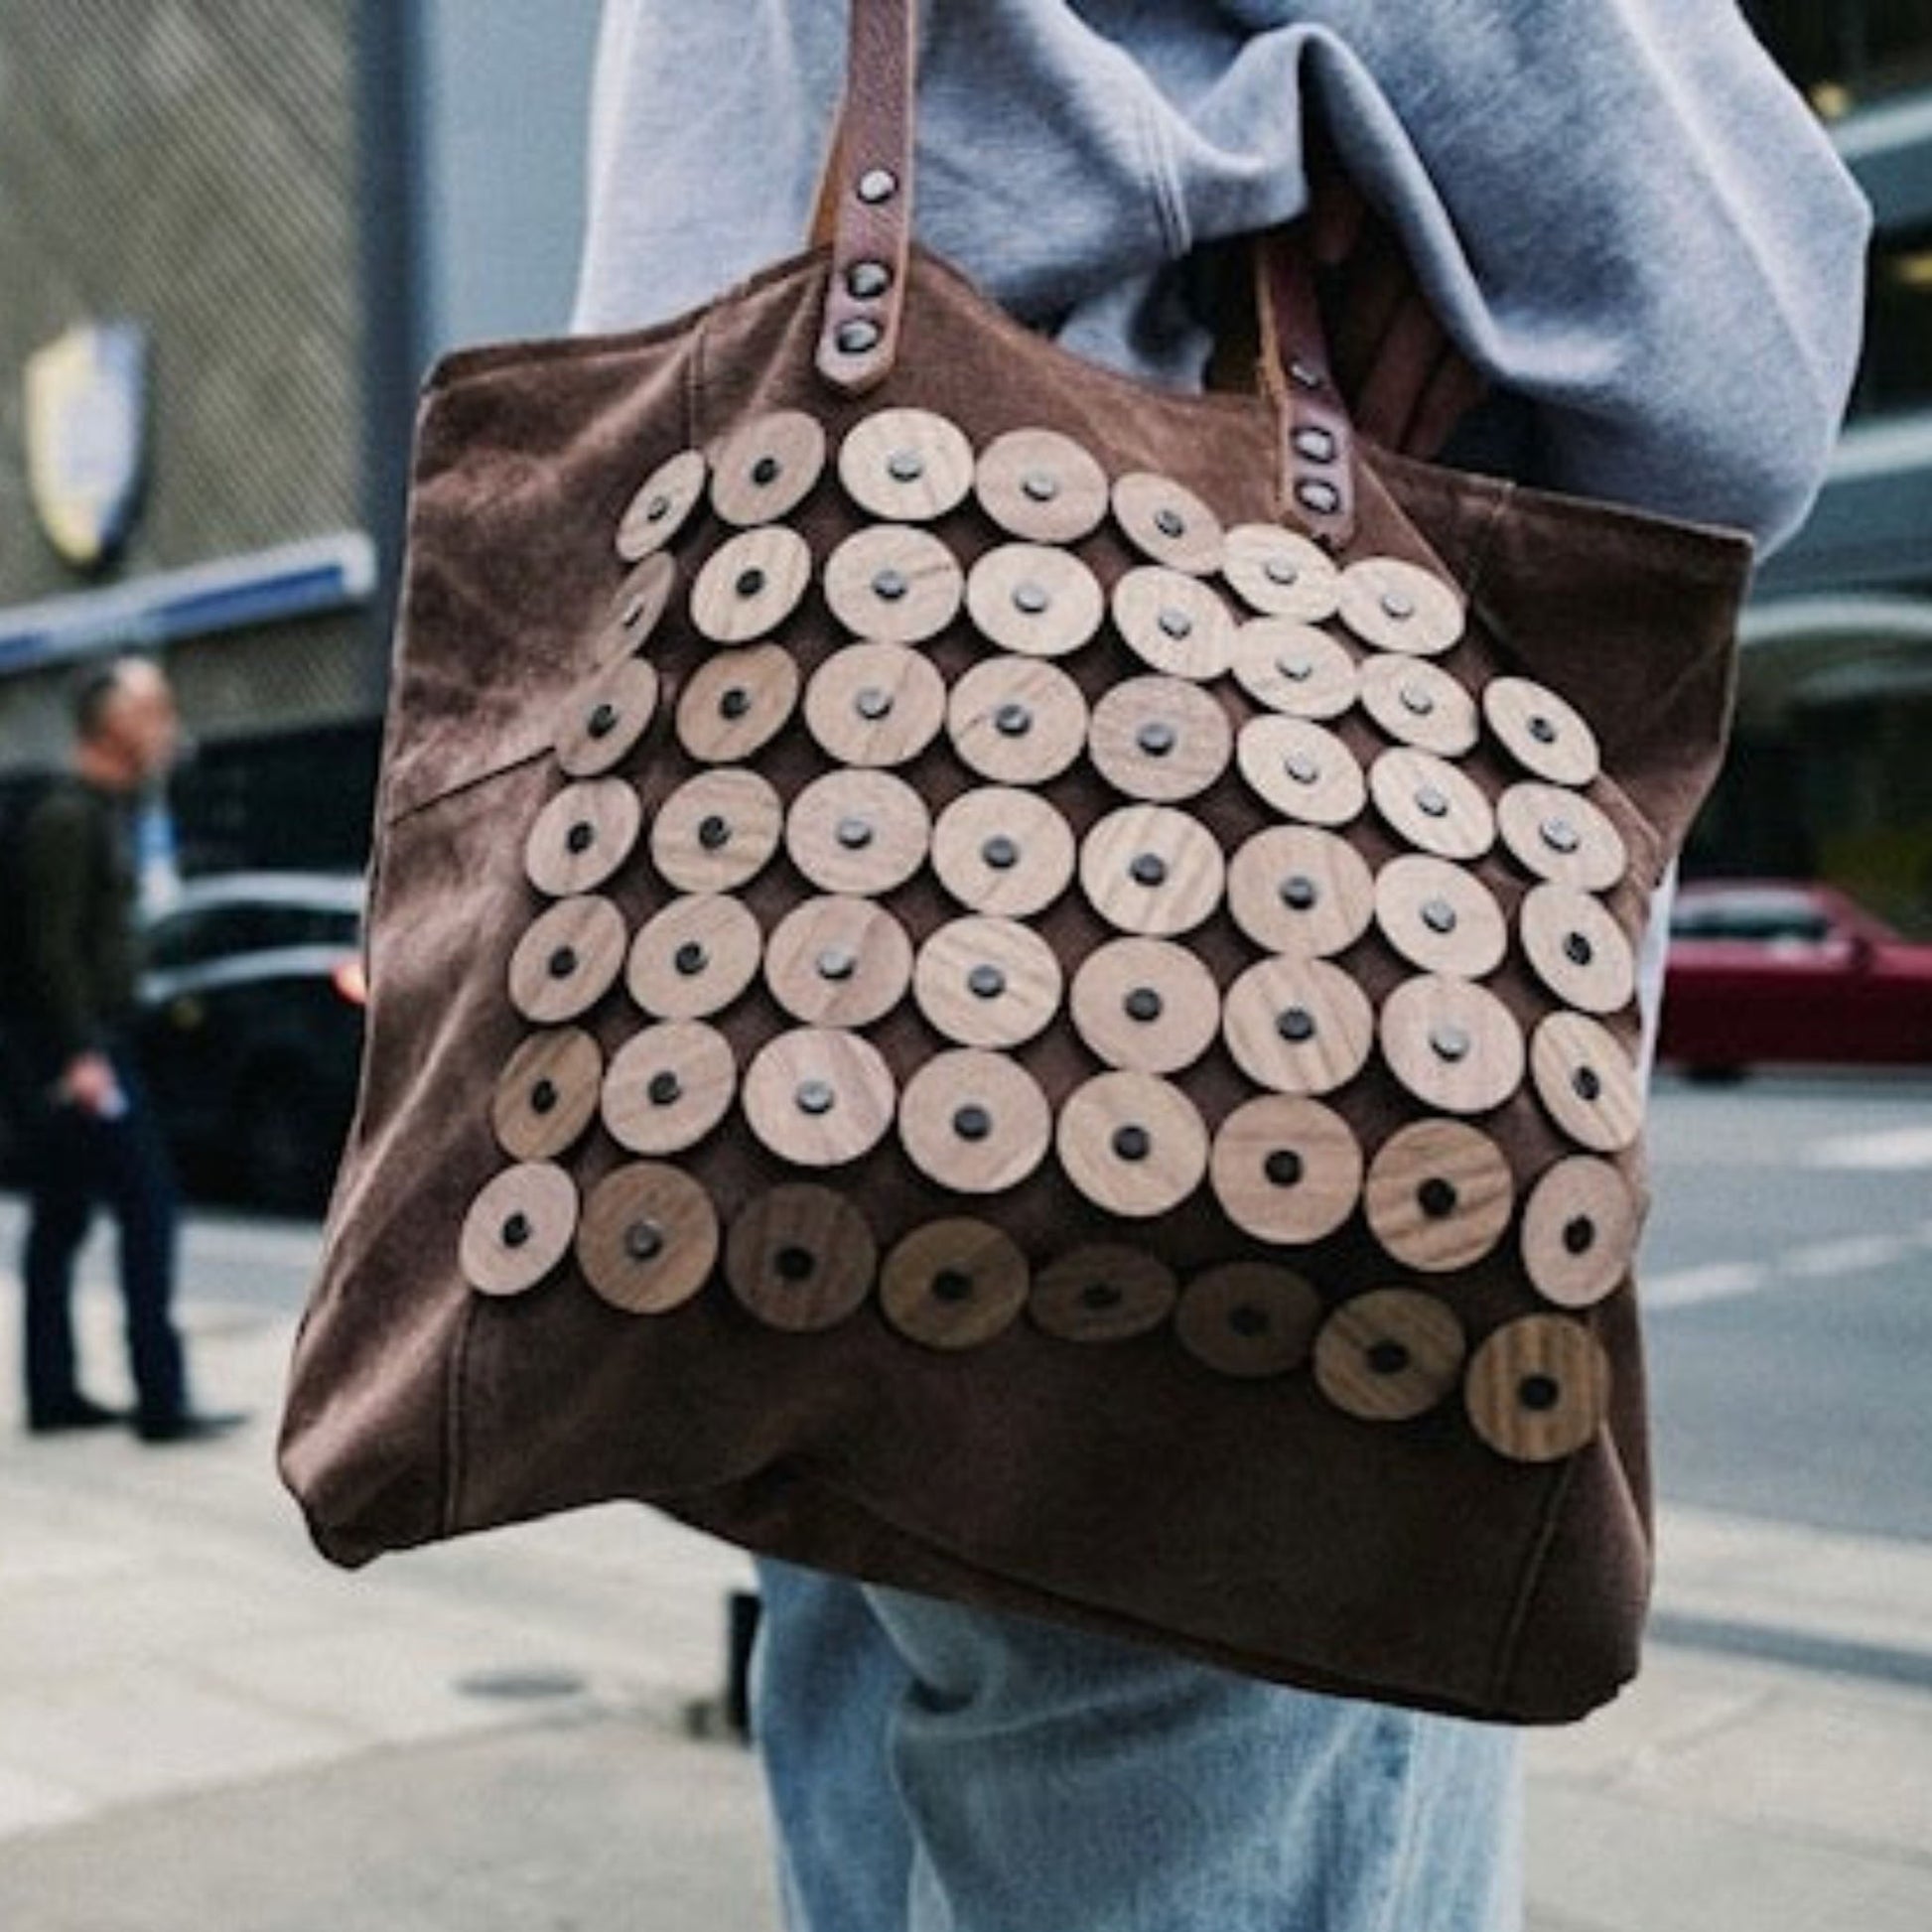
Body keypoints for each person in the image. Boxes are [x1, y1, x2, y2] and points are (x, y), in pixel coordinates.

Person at [569, 4, 1869, 1927]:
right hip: (1201, 993)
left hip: (779, 945)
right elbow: (1729, 329)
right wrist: (1399, 184)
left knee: (887, 1756)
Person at [9, 657, 241, 1445]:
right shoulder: (68, 819)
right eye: (155, 710)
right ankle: (160, 1400)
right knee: (149, 1210)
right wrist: (79, 1055)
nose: (167, 725)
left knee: (62, 1220)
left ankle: (52, 1393)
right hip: (85, 1052)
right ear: (111, 724)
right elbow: (48, 951)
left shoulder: (108, 810)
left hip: (84, 1046)